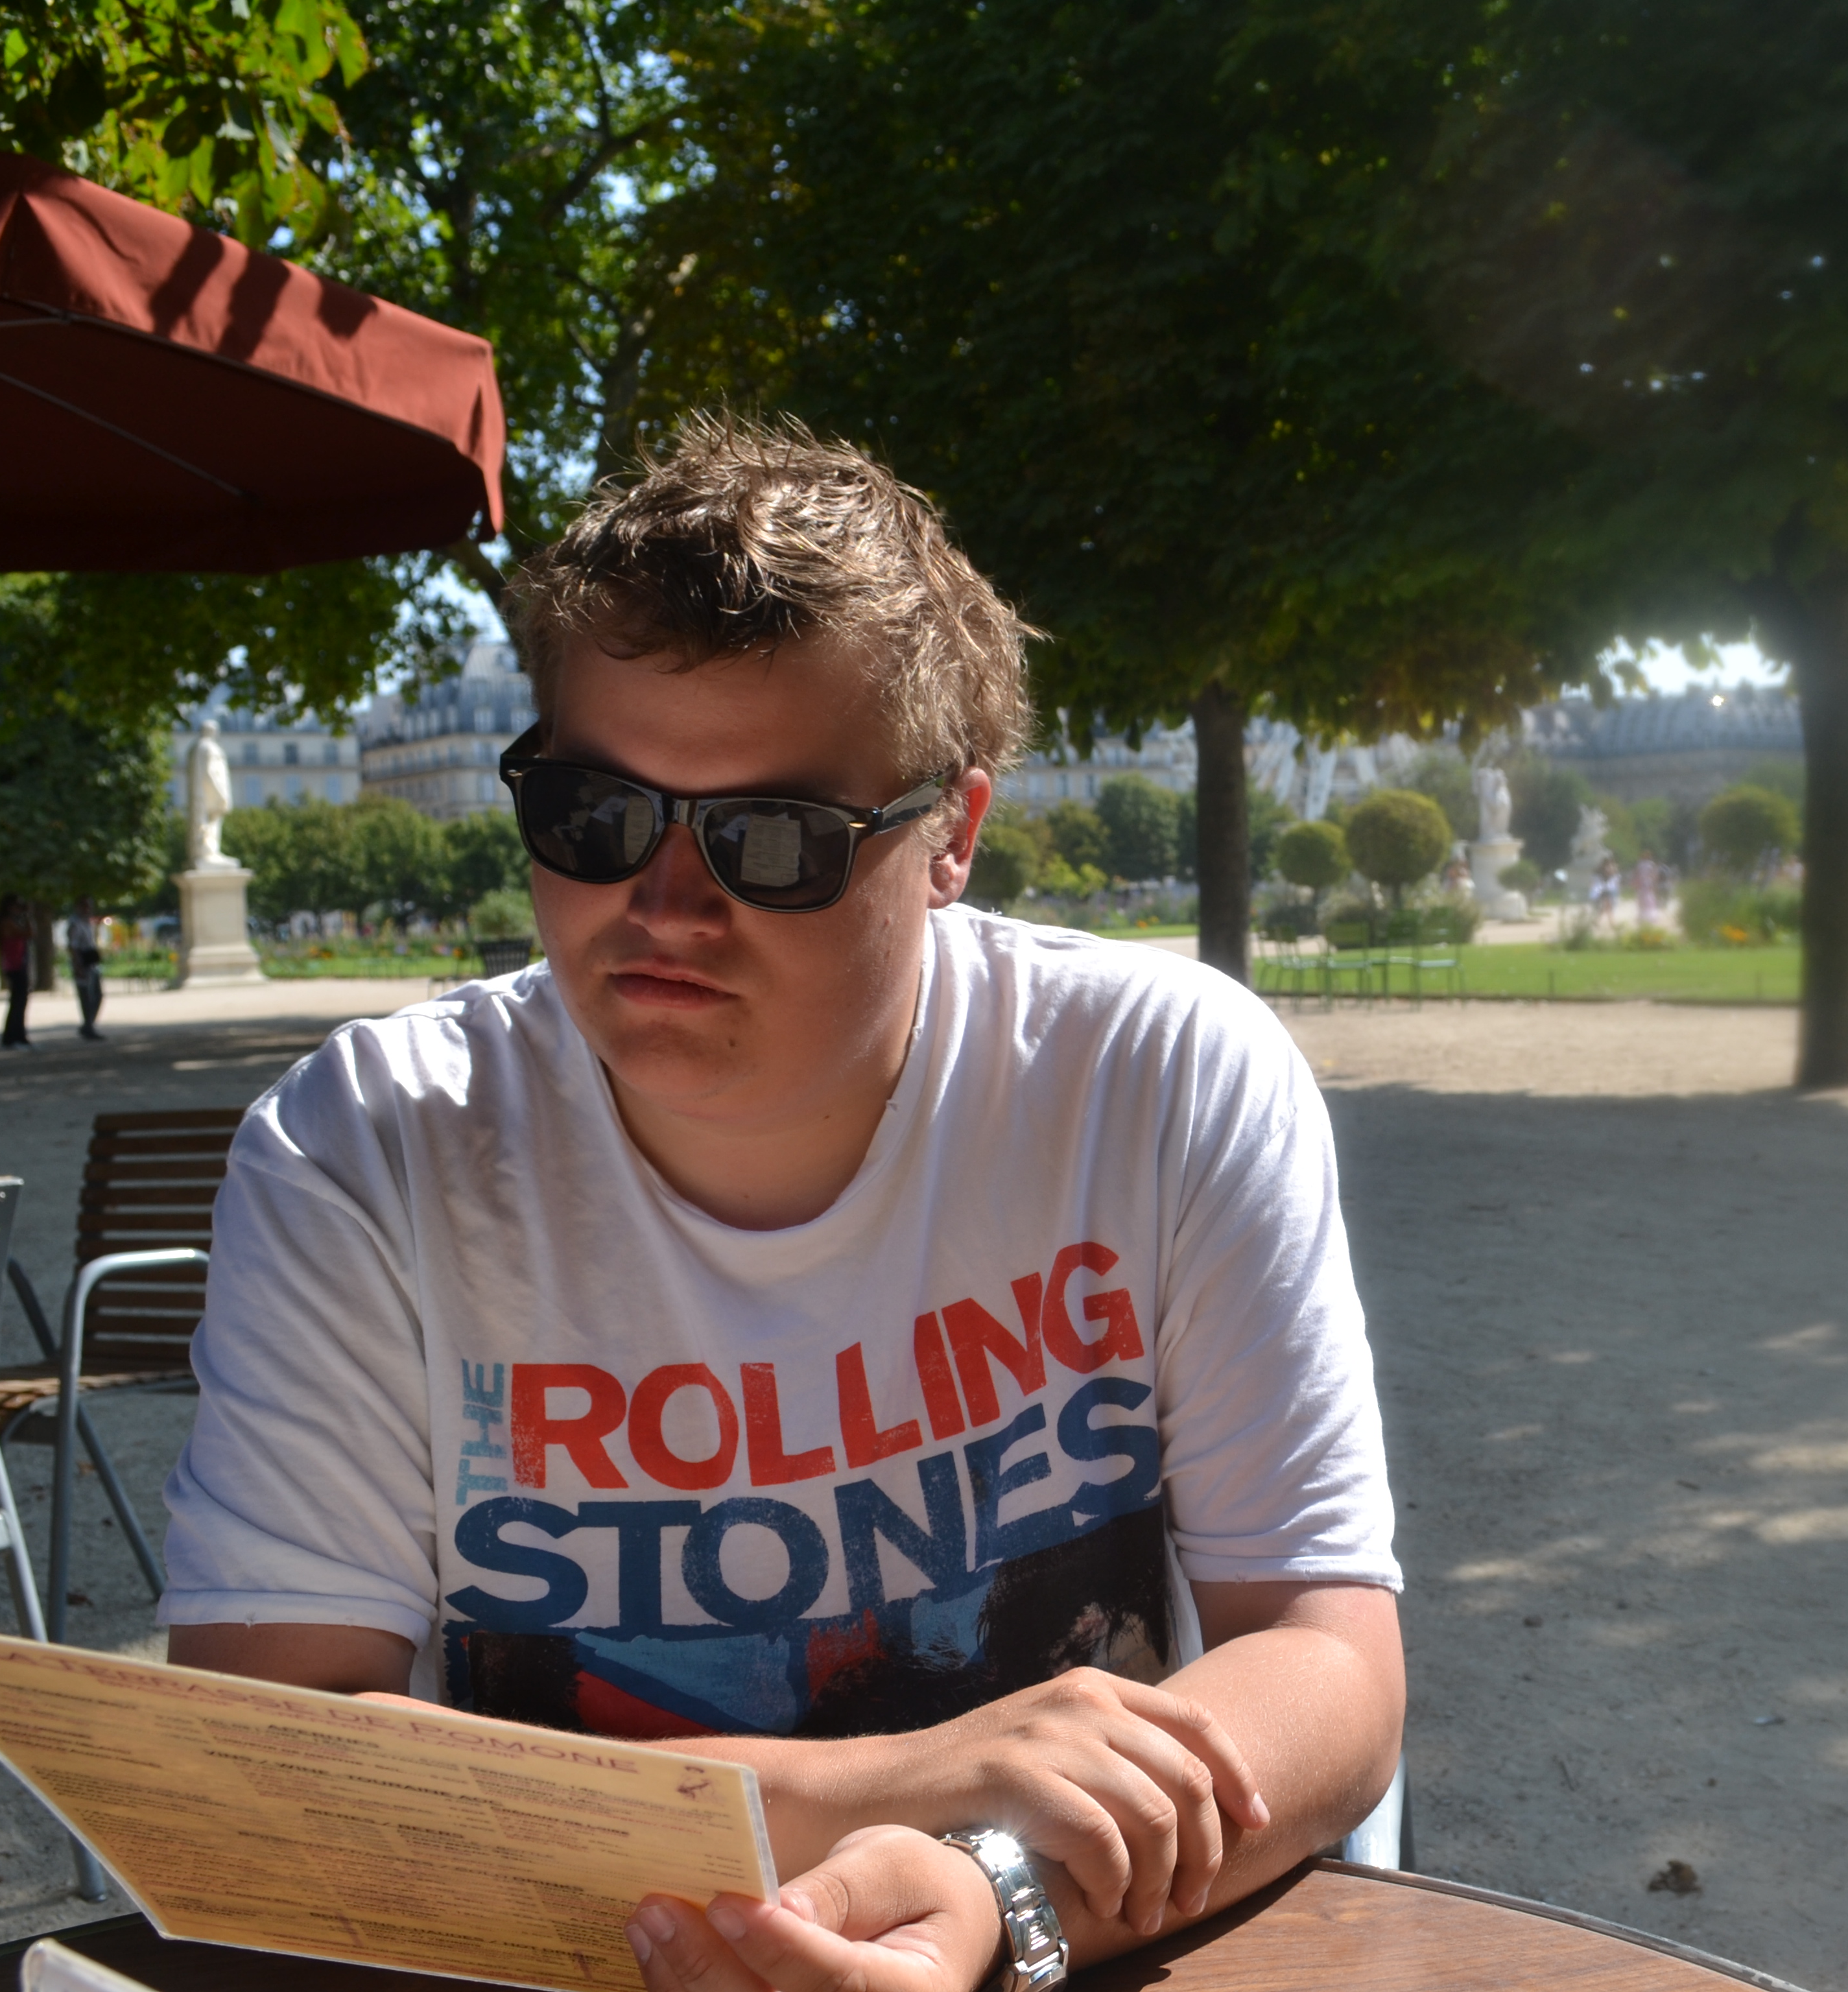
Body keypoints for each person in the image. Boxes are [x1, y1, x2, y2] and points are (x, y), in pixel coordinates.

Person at [158, 418, 1404, 1992]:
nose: (665, 904)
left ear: (952, 835)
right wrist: (915, 1783)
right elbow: (277, 1762)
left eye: (774, 839)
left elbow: (1329, 1659)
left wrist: (990, 1892)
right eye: (595, 813)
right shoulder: (366, 1148)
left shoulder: (1153, 1075)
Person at [0, 895, 32, 1048]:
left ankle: (16, 1034)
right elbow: (28, 933)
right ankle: (13, 1036)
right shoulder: (8, 922)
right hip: (14, 965)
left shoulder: (12, 921)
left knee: (20, 1001)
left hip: (17, 963)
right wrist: (27, 916)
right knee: (18, 1001)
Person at [65, 899, 106, 1041]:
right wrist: (78, 966)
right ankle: (88, 1026)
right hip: (83, 963)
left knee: (97, 995)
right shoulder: (75, 924)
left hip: (92, 963)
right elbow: (73, 946)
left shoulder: (87, 922)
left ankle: (88, 1025)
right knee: (86, 997)